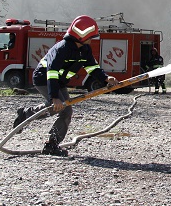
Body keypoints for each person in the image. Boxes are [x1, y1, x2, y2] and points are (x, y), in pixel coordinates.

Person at [11, 15, 119, 157]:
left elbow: (92, 68)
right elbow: (52, 73)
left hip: (59, 82)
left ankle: (51, 144)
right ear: (82, 35)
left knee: (66, 112)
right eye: (90, 37)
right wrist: (54, 97)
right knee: (57, 107)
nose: (92, 40)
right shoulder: (61, 49)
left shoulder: (84, 50)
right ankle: (27, 115)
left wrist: (106, 79)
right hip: (44, 79)